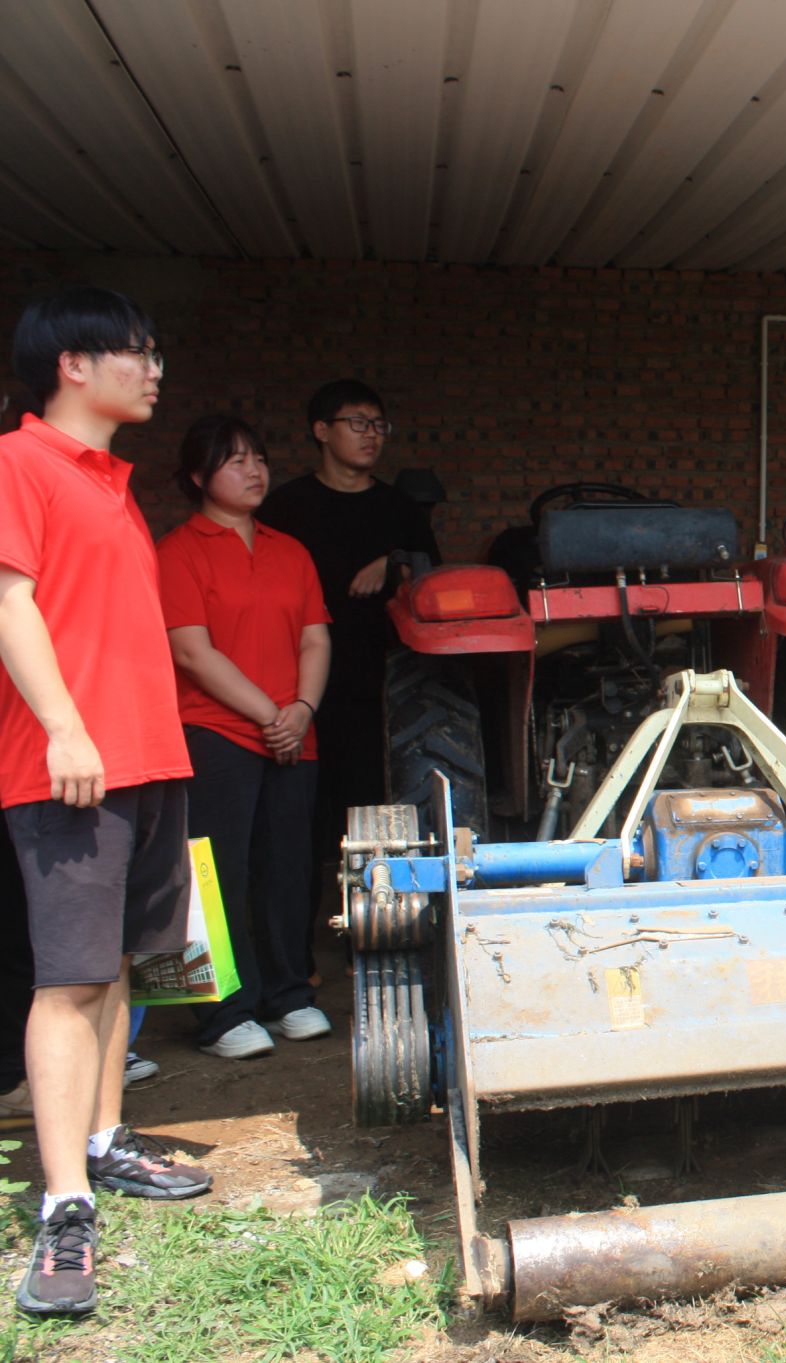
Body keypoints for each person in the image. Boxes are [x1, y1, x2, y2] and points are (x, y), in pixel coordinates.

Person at [0, 288, 214, 1320]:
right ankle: (64, 1203)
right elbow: (9, 601)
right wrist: (63, 724)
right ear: (71, 365)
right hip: (72, 763)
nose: (155, 367)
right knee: (70, 979)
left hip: (147, 757)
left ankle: (102, 1139)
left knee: (124, 963)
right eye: (137, 352)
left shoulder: (116, 486)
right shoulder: (20, 462)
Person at [158, 415, 334, 1060]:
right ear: (199, 477)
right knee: (214, 874)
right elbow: (192, 653)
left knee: (287, 870)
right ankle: (222, 1013)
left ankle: (289, 995)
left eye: (259, 457)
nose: (255, 470)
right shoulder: (179, 551)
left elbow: (316, 635)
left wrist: (303, 708)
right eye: (235, 461)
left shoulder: (291, 550)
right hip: (217, 731)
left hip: (294, 732)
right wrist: (271, 713)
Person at [258, 379, 438, 876]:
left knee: (372, 790)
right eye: (357, 423)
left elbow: (431, 579)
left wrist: (392, 558)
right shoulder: (285, 507)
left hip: (384, 673)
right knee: (305, 799)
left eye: (379, 426)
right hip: (301, 678)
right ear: (321, 430)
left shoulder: (399, 509)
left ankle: (378, 894)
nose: (371, 435)